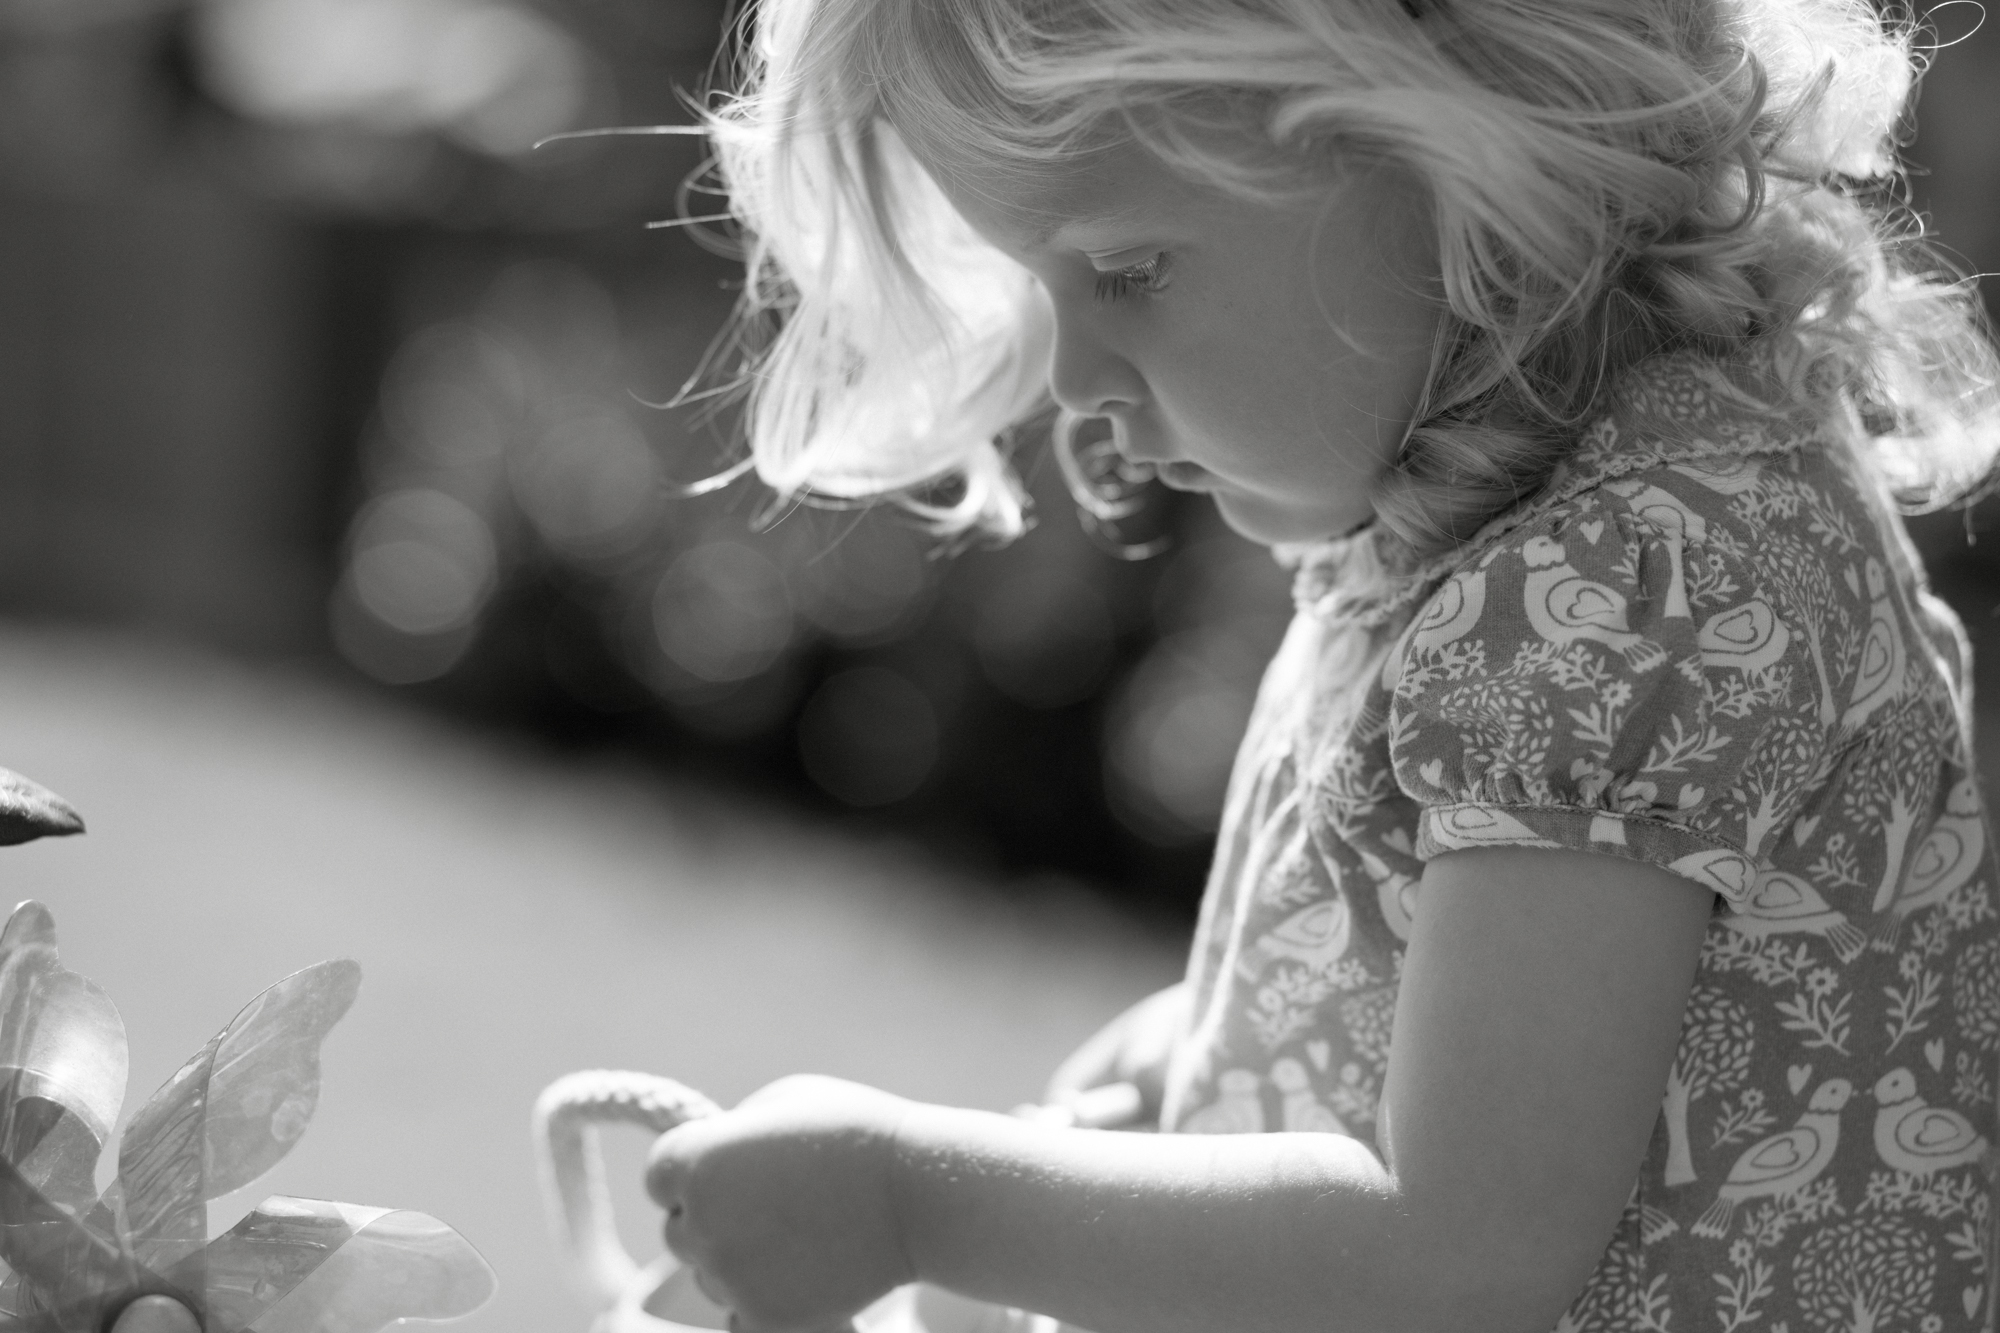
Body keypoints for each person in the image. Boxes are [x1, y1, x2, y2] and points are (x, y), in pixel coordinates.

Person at [643, 1, 2000, 1330]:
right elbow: (1480, 997)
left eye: (1124, 270)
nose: (1077, 379)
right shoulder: (1563, 509)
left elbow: (1463, 1244)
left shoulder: (1630, 584)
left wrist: (916, 1203)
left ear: (1457, 138)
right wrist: (1193, 1055)